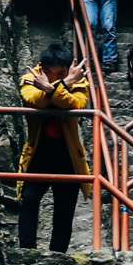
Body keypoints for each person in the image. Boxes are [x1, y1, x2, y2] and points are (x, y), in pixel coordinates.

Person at [16, 45, 90, 253]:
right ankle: (27, 252)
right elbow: (34, 100)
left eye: (60, 74)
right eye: (48, 72)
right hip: (38, 154)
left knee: (64, 211)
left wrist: (50, 89)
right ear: (41, 67)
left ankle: (58, 255)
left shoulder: (79, 82)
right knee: (29, 202)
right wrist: (64, 85)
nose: (52, 77)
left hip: (68, 156)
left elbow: (75, 103)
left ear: (69, 70)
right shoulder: (30, 78)